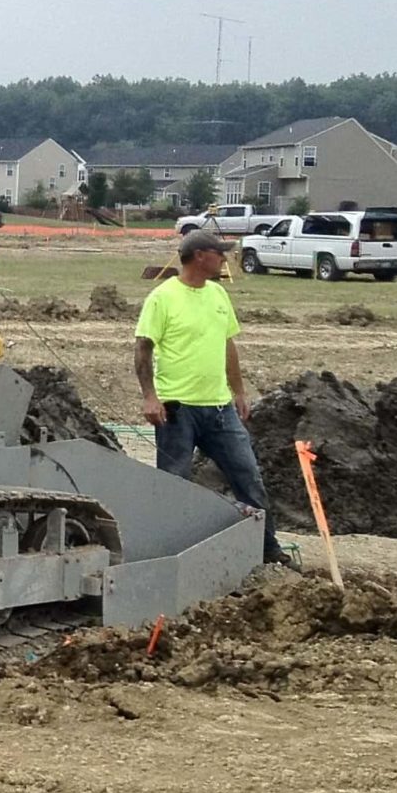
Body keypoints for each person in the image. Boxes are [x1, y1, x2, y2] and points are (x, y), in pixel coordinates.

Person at [135, 230, 285, 564]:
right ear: (201, 256)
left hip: (219, 409)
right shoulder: (163, 297)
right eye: (220, 253)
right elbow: (143, 348)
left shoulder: (218, 294)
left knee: (249, 477)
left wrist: (239, 391)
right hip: (176, 410)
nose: (224, 259)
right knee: (174, 485)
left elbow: (228, 345)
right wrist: (150, 397)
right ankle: (172, 554)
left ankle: (268, 550)